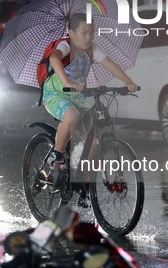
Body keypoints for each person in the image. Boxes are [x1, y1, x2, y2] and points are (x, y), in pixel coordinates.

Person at [42, 13, 138, 205]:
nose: (88, 37)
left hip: (78, 97)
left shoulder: (92, 50)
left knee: (93, 142)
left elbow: (110, 64)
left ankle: (84, 184)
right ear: (71, 33)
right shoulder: (66, 45)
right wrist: (67, 81)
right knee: (72, 116)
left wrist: (128, 82)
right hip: (56, 95)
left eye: (91, 32)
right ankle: (55, 157)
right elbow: (54, 59)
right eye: (84, 32)